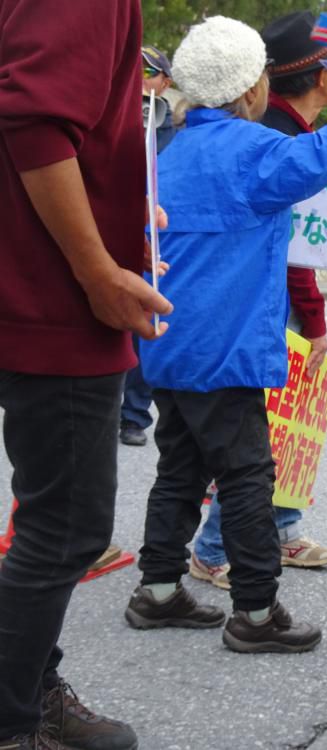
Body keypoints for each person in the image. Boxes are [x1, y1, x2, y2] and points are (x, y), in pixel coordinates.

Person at [124, 16, 327, 654]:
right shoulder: (252, 152)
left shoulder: (168, 152)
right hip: (226, 353)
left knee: (180, 469)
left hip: (166, 345)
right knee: (246, 478)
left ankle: (157, 590)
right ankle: (256, 612)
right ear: (251, 92)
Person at [0, 0, 173, 746]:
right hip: (49, 296)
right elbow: (34, 119)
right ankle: (10, 719)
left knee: (50, 521)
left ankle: (29, 682)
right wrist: (97, 268)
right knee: (64, 527)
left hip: (30, 278)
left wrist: (116, 202)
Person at [187, 10, 327, 589]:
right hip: (264, 303)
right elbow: (291, 252)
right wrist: (313, 317)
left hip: (271, 299)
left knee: (285, 423)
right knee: (253, 436)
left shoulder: (290, 128)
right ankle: (213, 547)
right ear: (323, 75)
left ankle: (282, 526)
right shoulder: (277, 137)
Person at [120, 44, 177, 449]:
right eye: (134, 71)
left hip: (155, 243)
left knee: (144, 326)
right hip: (110, 237)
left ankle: (133, 414)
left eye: (150, 72)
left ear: (165, 82)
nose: (141, 80)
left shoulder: (174, 134)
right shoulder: (109, 116)